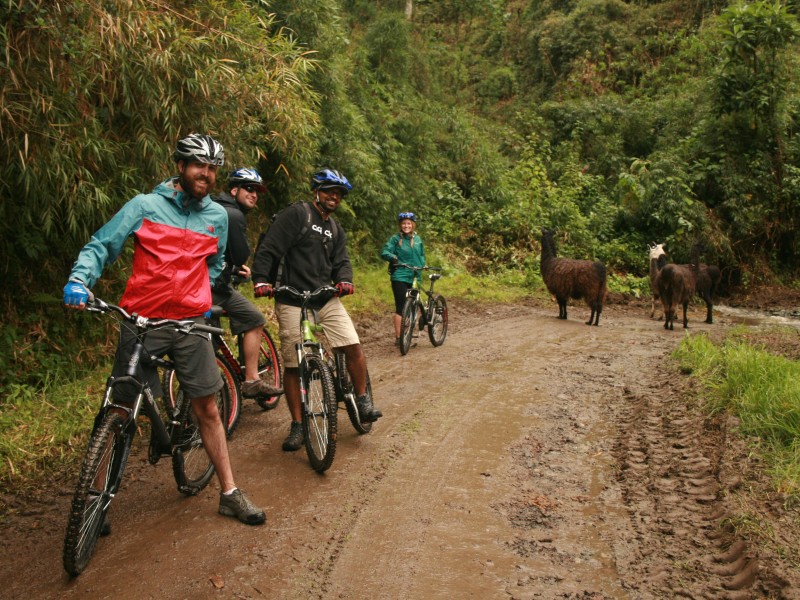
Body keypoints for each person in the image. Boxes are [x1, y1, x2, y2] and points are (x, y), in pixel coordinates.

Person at [63, 133, 266, 526]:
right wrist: (79, 280)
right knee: (119, 406)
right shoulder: (145, 206)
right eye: (198, 166)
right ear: (180, 166)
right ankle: (94, 497)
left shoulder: (217, 217)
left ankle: (229, 492)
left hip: (190, 323)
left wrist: (201, 298)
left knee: (207, 406)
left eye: (211, 168)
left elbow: (214, 261)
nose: (205, 174)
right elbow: (102, 245)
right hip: (142, 320)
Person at [250, 168, 382, 452]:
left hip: (325, 297)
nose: (334, 197)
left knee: (352, 345)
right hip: (291, 296)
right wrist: (261, 279)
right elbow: (270, 249)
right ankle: (298, 424)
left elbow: (341, 262)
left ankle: (362, 398)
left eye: (339, 194)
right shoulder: (298, 215)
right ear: (316, 191)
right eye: (329, 191)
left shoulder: (336, 229)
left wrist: (345, 279)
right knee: (293, 363)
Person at [212, 167, 283, 399]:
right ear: (234, 190)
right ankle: (252, 380)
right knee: (254, 319)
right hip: (213, 288)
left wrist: (233, 270)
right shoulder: (233, 214)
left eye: (257, 191)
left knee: (207, 341)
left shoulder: (212, 207)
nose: (254, 194)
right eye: (249, 189)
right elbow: (240, 254)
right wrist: (238, 265)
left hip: (195, 283)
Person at [380, 212, 426, 346]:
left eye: (409, 223)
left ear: (413, 225)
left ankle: (408, 335)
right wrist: (393, 257)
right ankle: (399, 338)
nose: (406, 226)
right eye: (404, 223)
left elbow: (422, 256)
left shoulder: (418, 240)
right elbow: (385, 252)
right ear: (400, 225)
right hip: (399, 275)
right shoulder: (395, 239)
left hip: (415, 275)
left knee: (412, 305)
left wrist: (423, 266)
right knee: (401, 306)